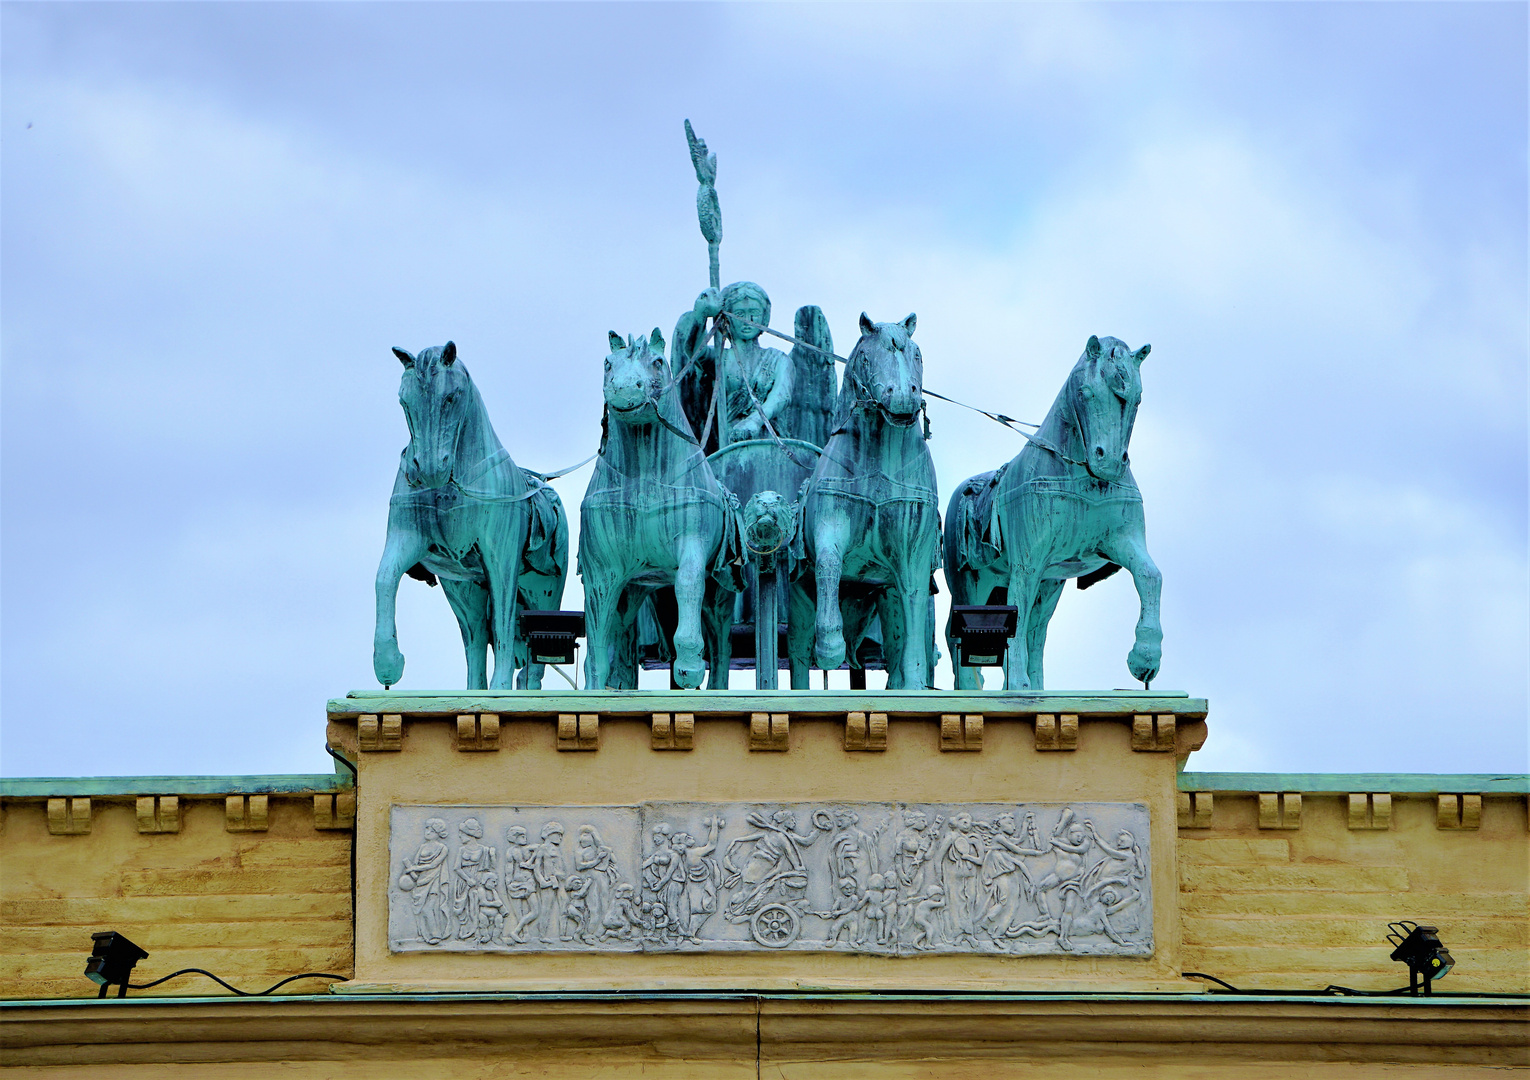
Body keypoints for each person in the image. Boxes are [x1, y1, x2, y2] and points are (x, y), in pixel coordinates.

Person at [673, 282, 795, 450]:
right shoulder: (719, 358)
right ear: (727, 318)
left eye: (754, 313)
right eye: (739, 313)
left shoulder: (779, 360)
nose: (748, 320)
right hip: (729, 441)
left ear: (764, 317)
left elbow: (781, 396)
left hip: (770, 439)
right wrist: (701, 315)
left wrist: (754, 421)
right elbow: (694, 351)